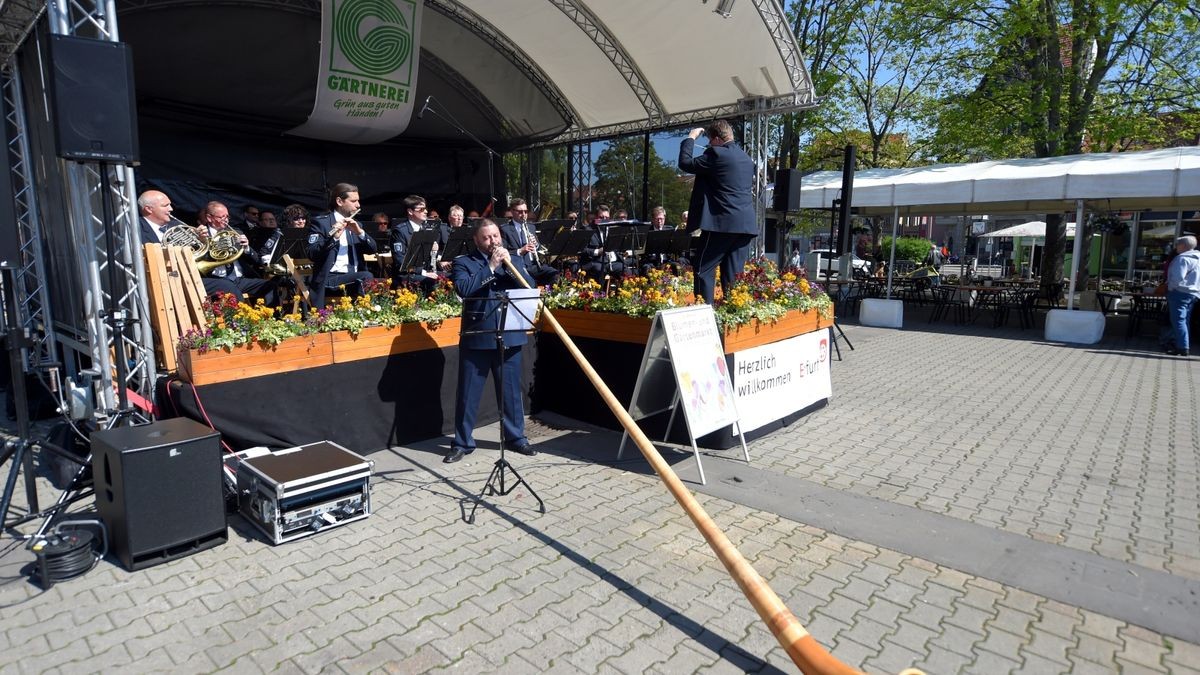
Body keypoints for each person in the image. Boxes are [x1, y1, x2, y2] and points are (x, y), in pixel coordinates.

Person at [444, 219, 537, 464]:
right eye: (487, 238)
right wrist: (491, 268)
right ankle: (462, 442)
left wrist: (508, 265)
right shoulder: (463, 262)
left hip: (509, 334)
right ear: (476, 240)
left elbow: (531, 287)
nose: (493, 241)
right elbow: (464, 289)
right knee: (468, 394)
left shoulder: (514, 261)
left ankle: (516, 438)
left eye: (496, 236)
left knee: (510, 393)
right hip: (478, 337)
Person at [678, 119, 756, 304]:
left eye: (709, 141)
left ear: (716, 139)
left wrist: (690, 137)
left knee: (702, 268)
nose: (708, 145)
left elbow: (685, 162)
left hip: (722, 224)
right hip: (745, 226)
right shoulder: (747, 159)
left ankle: (704, 315)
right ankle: (733, 315)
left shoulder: (717, 154)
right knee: (733, 274)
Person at [137, 190, 241, 301]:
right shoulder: (136, 228)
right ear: (149, 209)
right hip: (159, 280)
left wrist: (201, 239)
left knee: (227, 286)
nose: (171, 209)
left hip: (185, 277)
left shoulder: (177, 224)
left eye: (170, 204)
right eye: (165, 205)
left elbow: (200, 252)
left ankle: (235, 318)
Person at [306, 183, 376, 309]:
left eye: (358, 201)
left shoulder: (356, 224)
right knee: (366, 276)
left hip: (354, 277)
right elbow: (312, 253)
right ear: (339, 201)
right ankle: (367, 314)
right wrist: (334, 238)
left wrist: (360, 233)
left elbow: (373, 250)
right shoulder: (322, 223)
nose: (358, 205)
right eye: (353, 201)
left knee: (373, 278)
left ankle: (369, 316)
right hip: (330, 278)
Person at [199, 201, 279, 306]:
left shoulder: (236, 232)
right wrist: (204, 242)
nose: (226, 220)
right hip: (217, 279)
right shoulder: (201, 235)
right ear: (209, 218)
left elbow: (257, 260)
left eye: (227, 217)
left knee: (270, 285)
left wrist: (246, 248)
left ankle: (275, 319)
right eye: (221, 217)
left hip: (239, 279)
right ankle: (242, 321)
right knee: (230, 288)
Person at [501, 198, 558, 287]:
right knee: (530, 283)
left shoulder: (531, 227)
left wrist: (536, 245)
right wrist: (520, 251)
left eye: (525, 211)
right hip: (519, 267)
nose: (523, 214)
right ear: (512, 211)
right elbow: (502, 253)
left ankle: (549, 298)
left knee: (555, 275)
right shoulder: (505, 229)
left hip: (534, 265)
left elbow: (538, 248)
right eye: (520, 212)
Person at [388, 194, 440, 293]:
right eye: (421, 209)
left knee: (451, 276)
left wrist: (434, 251)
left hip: (424, 272)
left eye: (425, 208)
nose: (426, 211)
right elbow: (400, 262)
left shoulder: (427, 229)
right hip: (407, 275)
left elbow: (427, 259)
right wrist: (423, 272)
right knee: (432, 281)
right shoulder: (400, 231)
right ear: (410, 211)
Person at [1164, 235, 1200, 356]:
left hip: (1180, 292)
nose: (1175, 248)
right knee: (1185, 320)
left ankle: (1182, 346)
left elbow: (1177, 278)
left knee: (1178, 320)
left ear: (1183, 246)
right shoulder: (1197, 258)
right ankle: (1184, 344)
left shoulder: (1182, 259)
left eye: (1177, 245)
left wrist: (1170, 288)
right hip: (1193, 293)